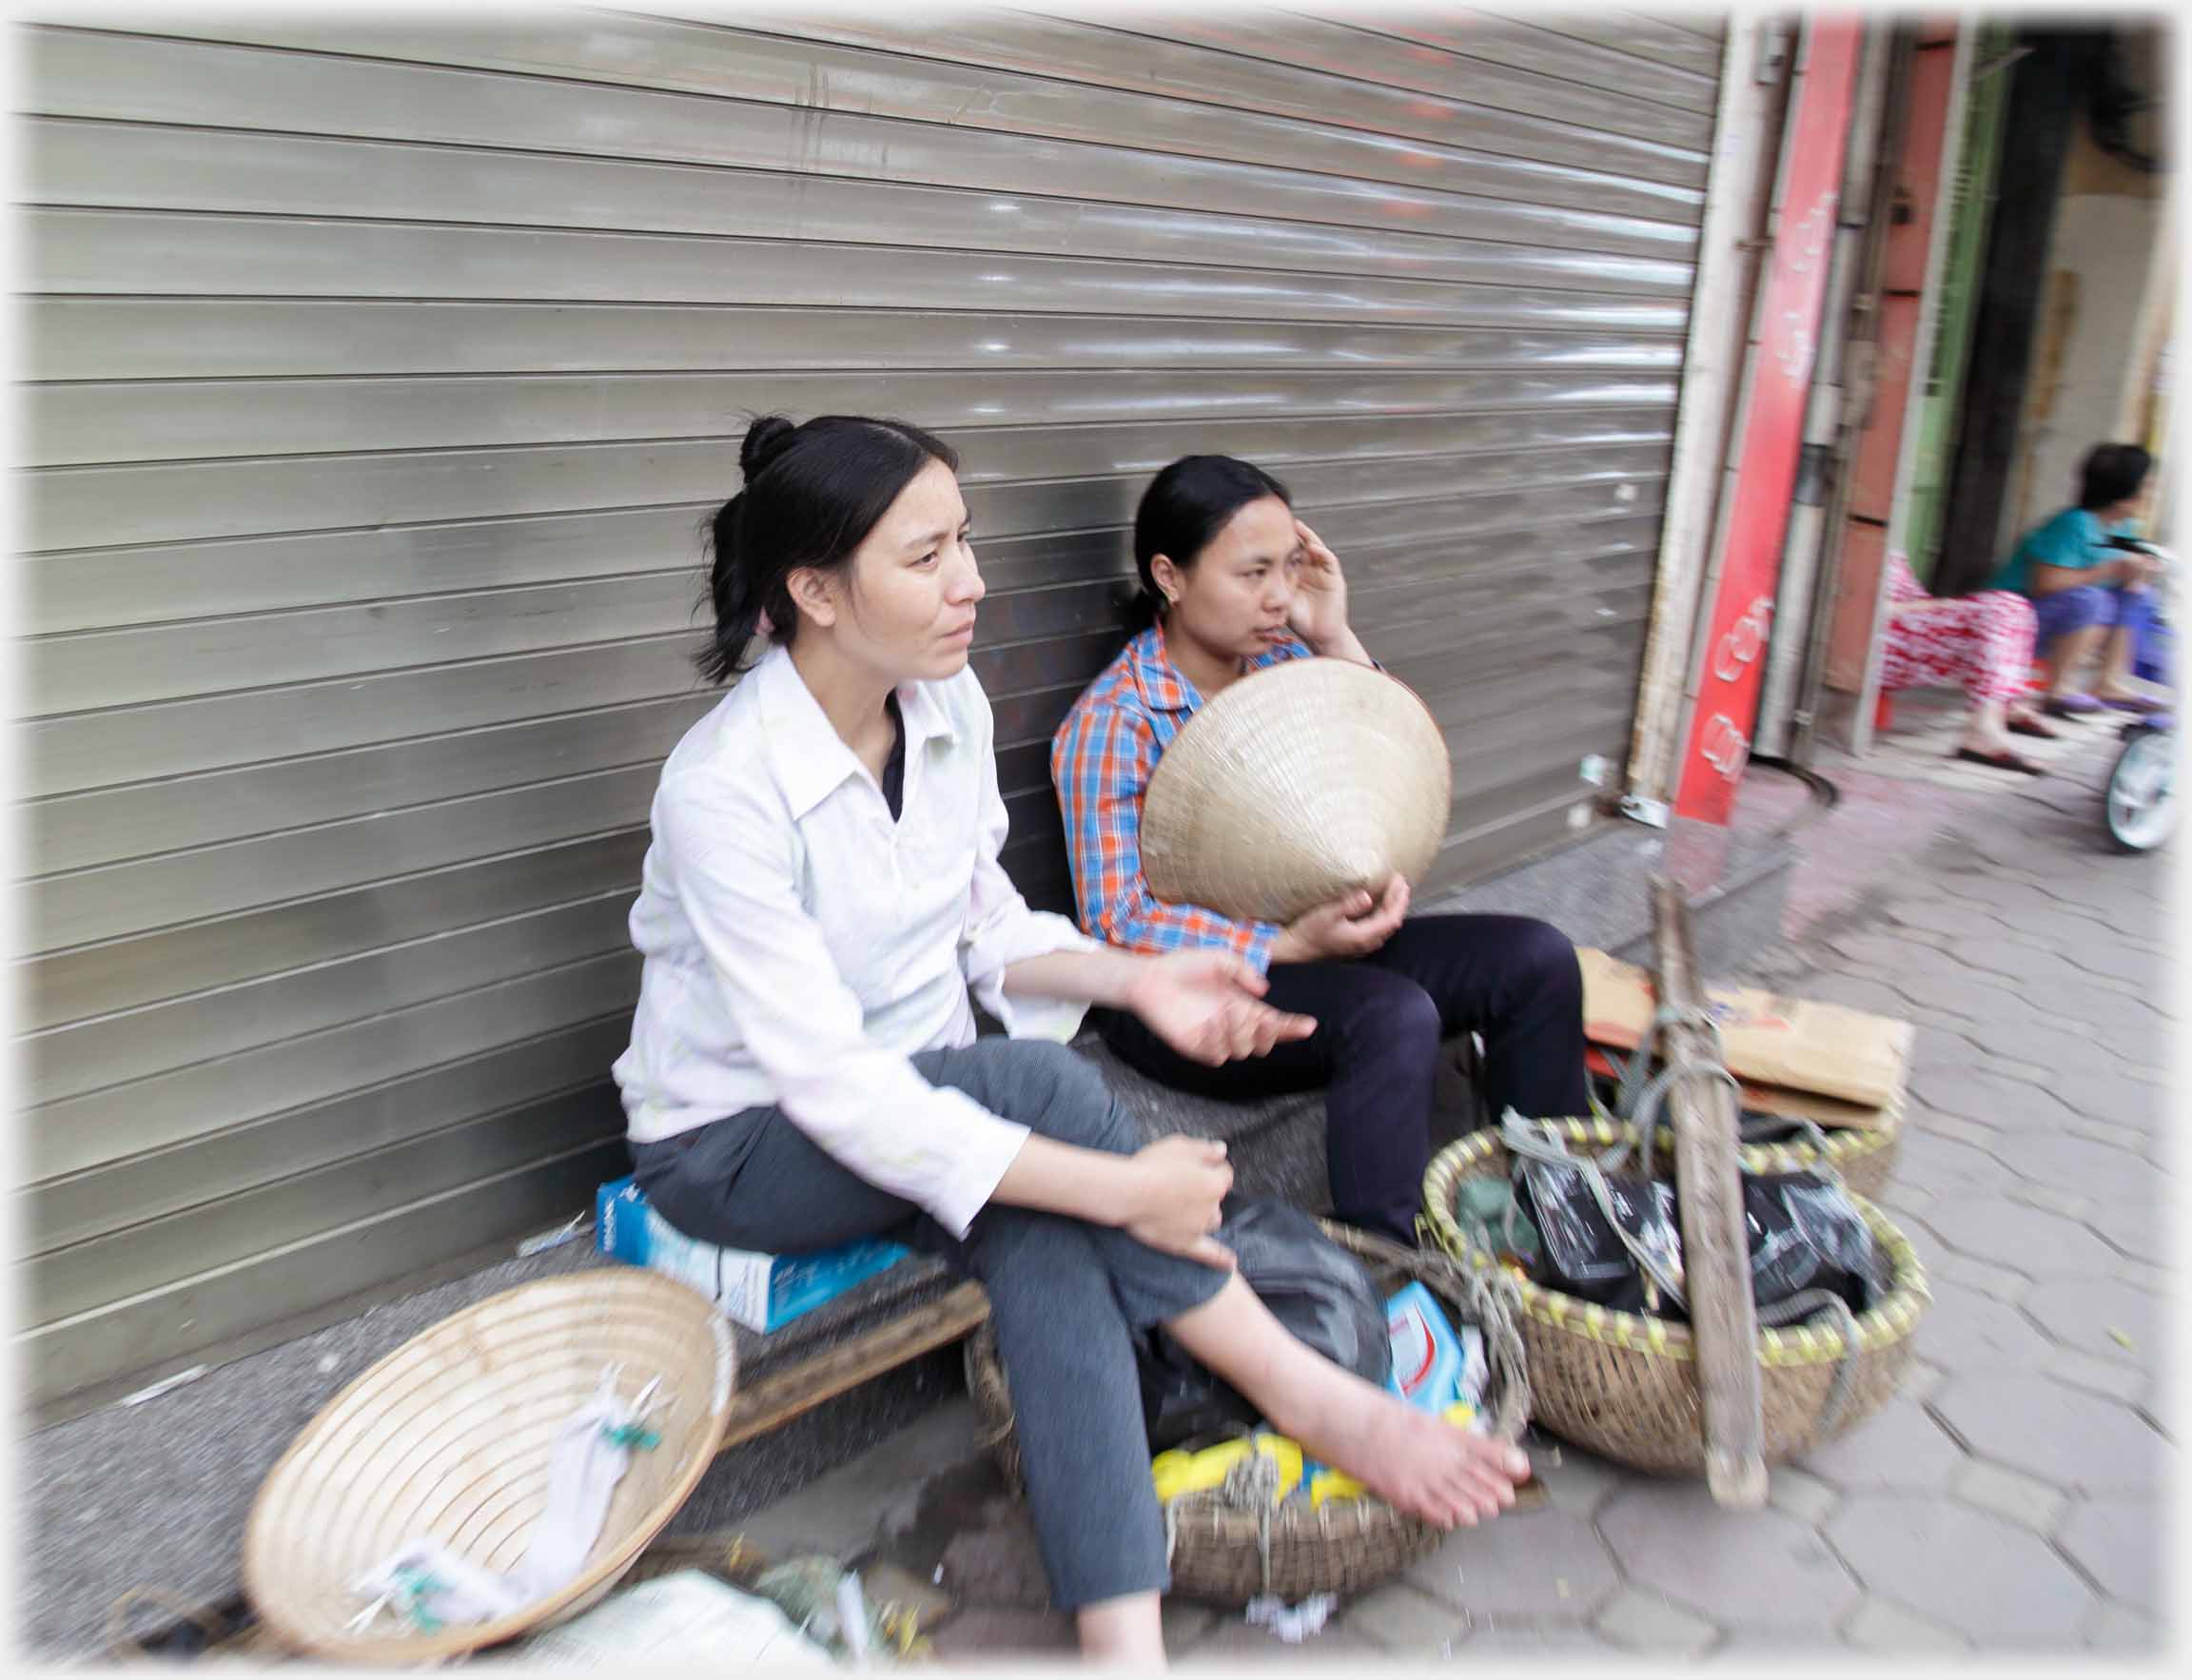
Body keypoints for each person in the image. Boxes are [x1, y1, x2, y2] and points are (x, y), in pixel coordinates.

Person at [612, 416, 1529, 1666]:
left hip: (929, 1103)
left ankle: (1121, 1642)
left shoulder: (942, 702)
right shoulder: (724, 788)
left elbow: (984, 922)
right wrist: (1124, 1183)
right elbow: (831, 1085)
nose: (972, 579)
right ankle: (1313, 1394)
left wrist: (1141, 982)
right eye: (927, 554)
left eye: (966, 541)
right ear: (817, 591)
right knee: (1046, 1099)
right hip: (743, 1144)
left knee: (1045, 1229)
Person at [1050, 455, 1591, 1248]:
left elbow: (1393, 752)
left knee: (1536, 959)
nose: (1279, 597)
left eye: (1291, 569)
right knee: (1392, 1016)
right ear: (1169, 575)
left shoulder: (1288, 667)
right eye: (1253, 572)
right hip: (1183, 994)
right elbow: (1115, 916)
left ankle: (1566, 1225)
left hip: (1320, 953)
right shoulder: (1114, 721)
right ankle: (1387, 1266)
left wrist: (1332, 630)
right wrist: (1279, 944)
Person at [1991, 442, 2170, 718]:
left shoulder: (2122, 527)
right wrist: (2109, 570)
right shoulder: (2074, 524)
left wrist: (2137, 572)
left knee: (2136, 595)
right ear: (2123, 495)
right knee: (2091, 599)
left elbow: (2121, 575)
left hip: (2056, 618)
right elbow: (2045, 583)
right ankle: (2058, 688)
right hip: (2013, 621)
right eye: (2147, 486)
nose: (2152, 493)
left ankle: (2108, 682)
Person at [1877, 552, 2062, 775]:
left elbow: (1912, 598)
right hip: (1877, 644)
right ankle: (1983, 730)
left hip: (1907, 631)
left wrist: (1932, 606)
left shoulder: (1885, 546)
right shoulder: (1851, 540)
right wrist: (1935, 606)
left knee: (2014, 605)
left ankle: (2003, 704)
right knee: (1999, 609)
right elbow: (1864, 610)